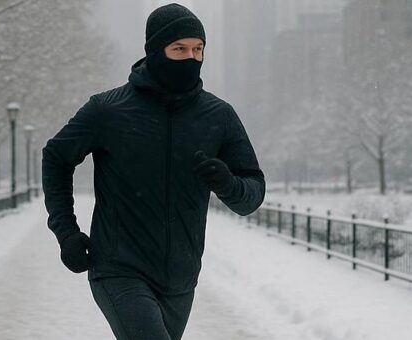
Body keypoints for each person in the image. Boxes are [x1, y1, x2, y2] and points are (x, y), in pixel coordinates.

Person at [41, 3, 265, 340]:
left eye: (198, 49)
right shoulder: (109, 110)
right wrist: (66, 231)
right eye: (179, 49)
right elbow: (56, 157)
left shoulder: (219, 116)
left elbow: (252, 195)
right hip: (119, 269)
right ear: (155, 51)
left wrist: (228, 184)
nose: (191, 57)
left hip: (181, 278)